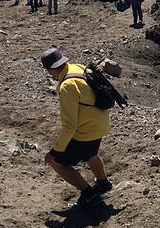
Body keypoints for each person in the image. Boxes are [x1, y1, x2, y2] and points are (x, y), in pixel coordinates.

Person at [40, 47, 112, 208]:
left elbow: (69, 126)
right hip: (101, 122)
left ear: (49, 70)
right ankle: (103, 184)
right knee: (91, 154)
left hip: (87, 130)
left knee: (58, 163)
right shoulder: (77, 67)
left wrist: (54, 152)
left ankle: (89, 195)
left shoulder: (67, 86)